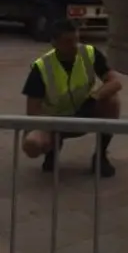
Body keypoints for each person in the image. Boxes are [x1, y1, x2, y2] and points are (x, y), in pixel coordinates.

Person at [21, 19, 122, 177]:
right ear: (54, 43)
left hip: (84, 112)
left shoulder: (89, 53)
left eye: (76, 39)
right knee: (32, 144)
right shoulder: (41, 67)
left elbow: (115, 82)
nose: (74, 45)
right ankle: (52, 149)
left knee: (112, 101)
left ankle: (100, 156)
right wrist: (51, 127)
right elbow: (32, 111)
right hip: (54, 121)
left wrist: (94, 97)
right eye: (68, 41)